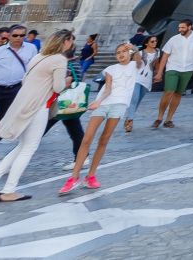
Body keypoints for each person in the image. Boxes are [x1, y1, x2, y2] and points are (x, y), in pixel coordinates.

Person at [0, 28, 73, 202]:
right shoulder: (59, 59)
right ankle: (9, 190)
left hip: (23, 103)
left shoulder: (39, 56)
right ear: (65, 42)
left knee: (21, 146)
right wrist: (67, 81)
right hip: (38, 106)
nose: (71, 44)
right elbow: (58, 87)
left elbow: (25, 79)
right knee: (29, 148)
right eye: (71, 41)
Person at [59, 41, 142, 194]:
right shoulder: (110, 69)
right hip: (103, 104)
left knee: (104, 139)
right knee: (87, 139)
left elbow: (139, 60)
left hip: (119, 105)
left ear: (129, 53)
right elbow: (108, 88)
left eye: (124, 51)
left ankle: (91, 176)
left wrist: (133, 48)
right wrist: (98, 101)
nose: (121, 54)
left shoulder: (134, 66)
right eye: (118, 52)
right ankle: (74, 177)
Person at [0, 25, 38, 165]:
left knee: (3, 122)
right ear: (9, 36)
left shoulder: (31, 49)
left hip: (14, 89)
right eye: (15, 35)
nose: (18, 38)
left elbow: (33, 68)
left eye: (22, 35)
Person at [151, 20, 193, 129]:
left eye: (183, 27)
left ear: (189, 27)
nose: (180, 29)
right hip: (173, 68)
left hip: (189, 69)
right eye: (179, 28)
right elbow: (165, 56)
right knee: (169, 91)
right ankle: (159, 117)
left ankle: (169, 120)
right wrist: (160, 72)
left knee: (178, 94)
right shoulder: (173, 39)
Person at [123, 35, 160, 132]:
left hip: (147, 80)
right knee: (134, 99)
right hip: (136, 78)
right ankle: (130, 121)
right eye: (152, 41)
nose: (155, 43)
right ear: (146, 43)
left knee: (138, 101)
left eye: (155, 41)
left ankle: (128, 118)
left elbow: (156, 65)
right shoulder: (139, 52)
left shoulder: (157, 52)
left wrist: (158, 74)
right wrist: (135, 52)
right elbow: (138, 65)